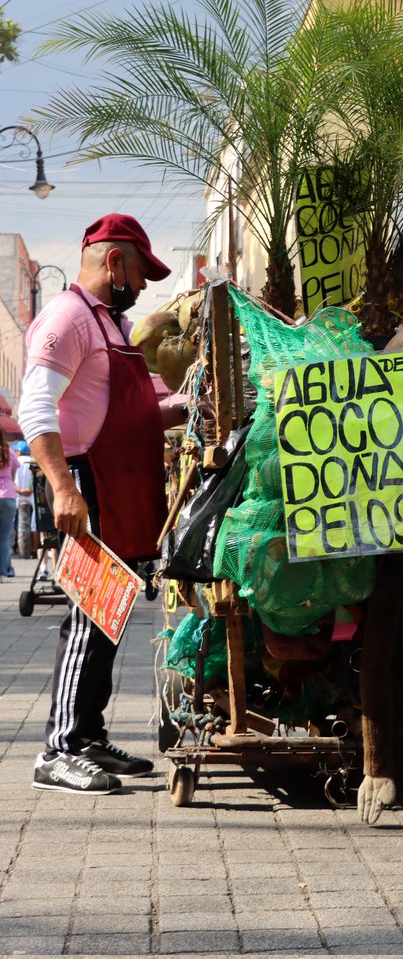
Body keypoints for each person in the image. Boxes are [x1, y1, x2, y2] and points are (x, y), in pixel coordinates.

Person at [18, 214, 187, 796]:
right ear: (115, 262)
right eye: (140, 273)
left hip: (123, 484)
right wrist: (64, 488)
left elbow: (133, 410)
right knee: (90, 615)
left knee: (109, 617)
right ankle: (58, 750)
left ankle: (88, 734)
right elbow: (35, 407)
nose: (142, 286)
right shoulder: (66, 318)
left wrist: (184, 409)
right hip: (88, 483)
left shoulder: (114, 326)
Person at [0, 427, 20, 581]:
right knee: (4, 536)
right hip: (8, 495)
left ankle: (5, 568)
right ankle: (4, 569)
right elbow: (13, 474)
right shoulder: (10, 452)